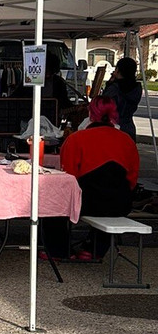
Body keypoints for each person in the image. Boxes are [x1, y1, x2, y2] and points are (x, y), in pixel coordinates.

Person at [42, 96, 139, 260]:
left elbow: (68, 179)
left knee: (52, 205)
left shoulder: (76, 139)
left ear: (90, 114)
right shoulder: (127, 140)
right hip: (119, 203)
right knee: (110, 201)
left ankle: (59, 251)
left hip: (86, 202)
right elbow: (132, 179)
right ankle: (93, 249)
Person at [103, 57, 142, 141]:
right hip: (128, 126)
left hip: (112, 126)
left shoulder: (114, 88)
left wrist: (109, 84)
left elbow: (104, 104)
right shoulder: (136, 87)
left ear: (118, 70)